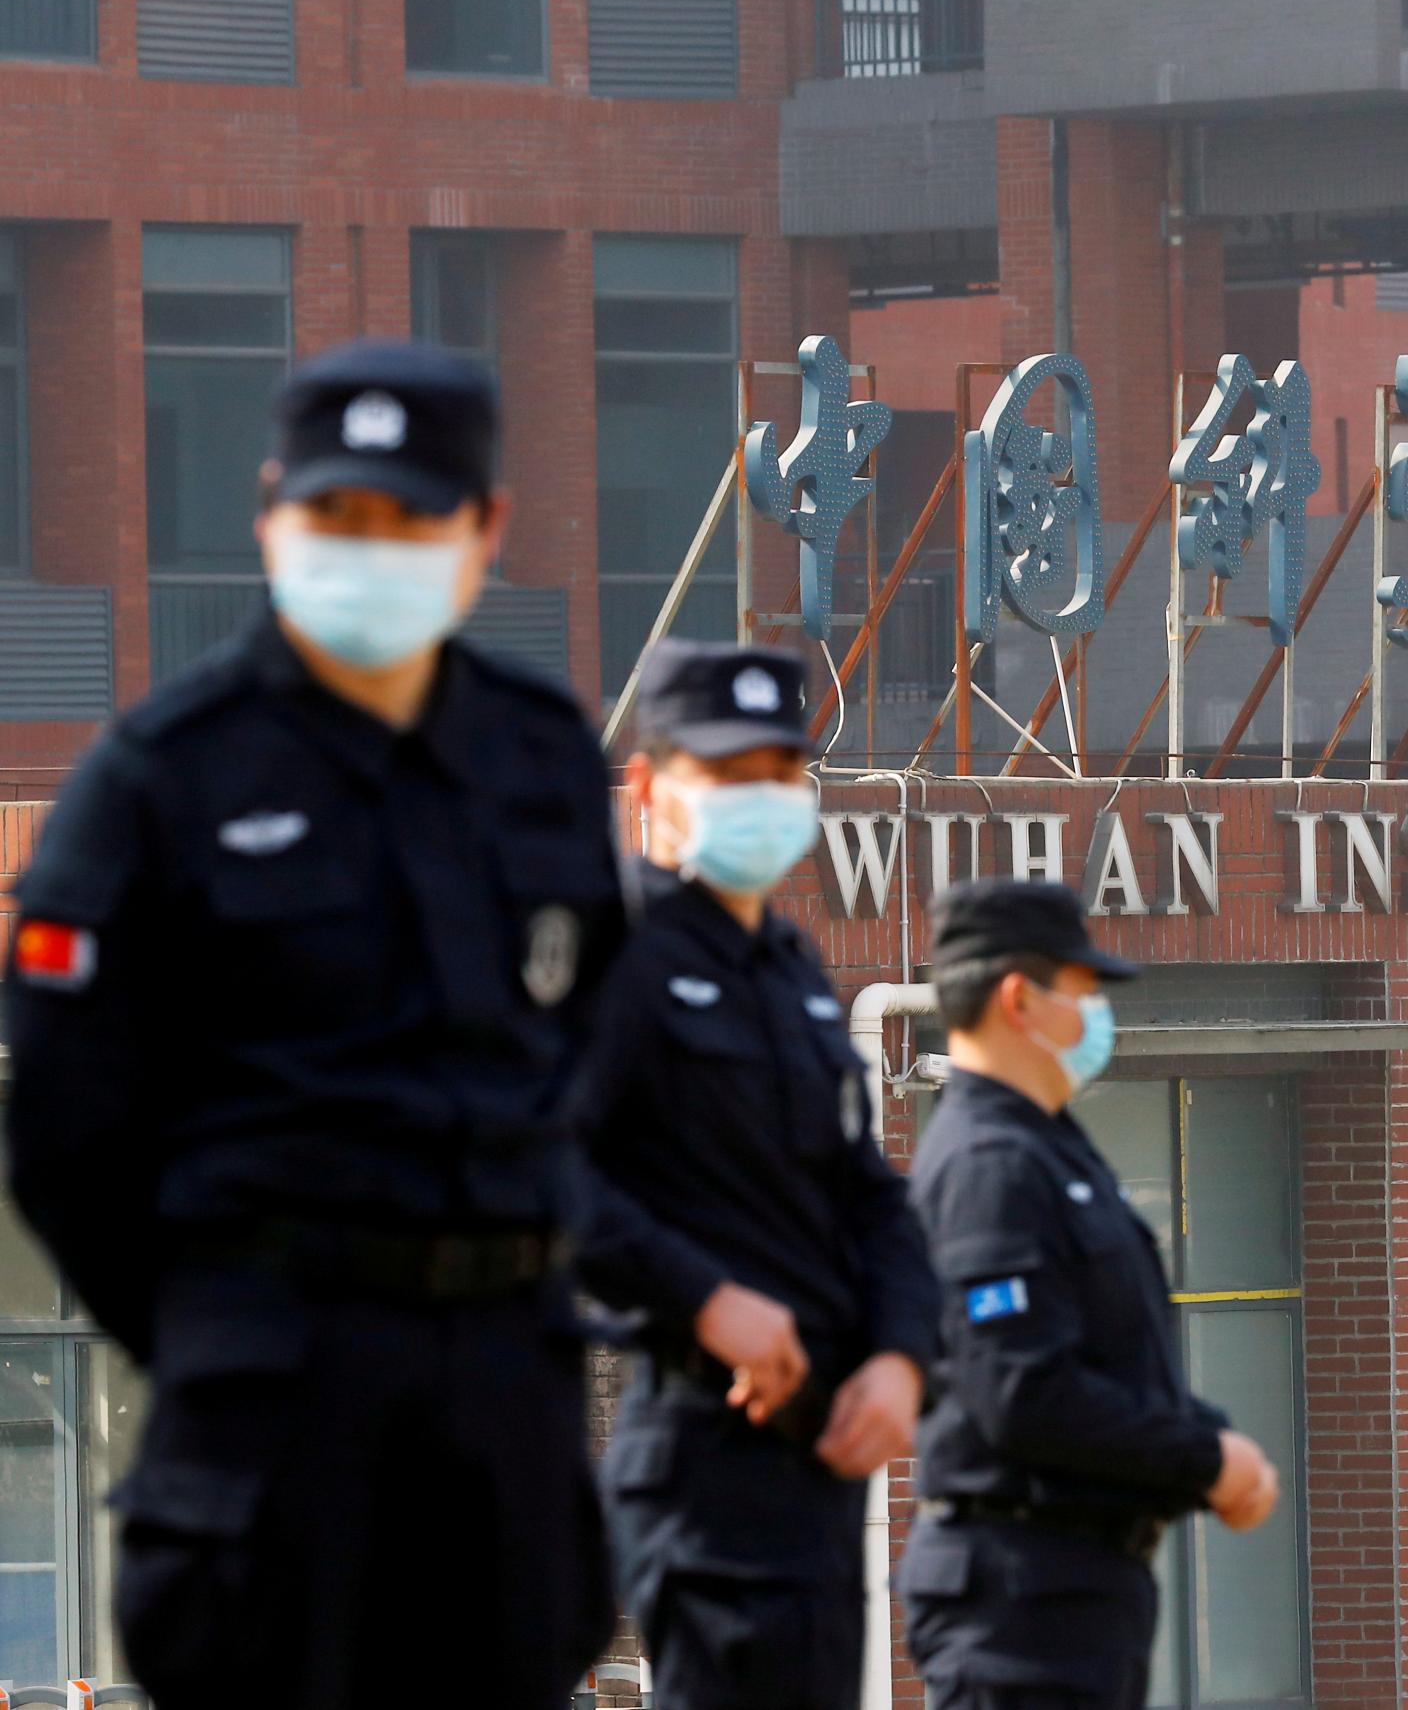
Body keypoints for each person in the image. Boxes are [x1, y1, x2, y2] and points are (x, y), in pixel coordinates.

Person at [1, 338, 621, 1708]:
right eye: (337, 517)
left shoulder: (542, 756)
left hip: (502, 1394)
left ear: (486, 532)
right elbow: (63, 1125)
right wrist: (218, 1315)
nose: (370, 551)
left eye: (410, 519)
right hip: (274, 1394)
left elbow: (589, 1042)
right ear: (272, 509)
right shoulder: (163, 776)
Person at [580, 639, 939, 1710]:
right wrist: (707, 1301)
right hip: (702, 1454)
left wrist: (900, 1357)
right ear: (647, 784)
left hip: (818, 1465)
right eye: (727, 774)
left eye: (782, 772)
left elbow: (869, 1198)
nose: (764, 798)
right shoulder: (611, 954)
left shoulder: (792, 975)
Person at [896, 878, 1281, 1710]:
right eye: (1083, 992)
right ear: (1017, 999)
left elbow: (1115, 1355)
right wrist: (1205, 1459)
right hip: (1022, 1597)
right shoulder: (988, 1165)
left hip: (1071, 1592)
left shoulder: (1049, 1151)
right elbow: (1021, 1392)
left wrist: (1209, 1444)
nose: (1097, 1015)